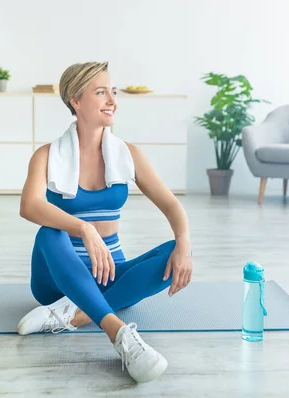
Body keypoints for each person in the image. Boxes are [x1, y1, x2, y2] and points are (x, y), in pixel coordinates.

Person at [17, 61, 193, 383]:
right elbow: (29, 206)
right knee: (49, 233)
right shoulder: (46, 155)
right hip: (55, 281)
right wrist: (82, 228)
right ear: (75, 101)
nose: (112, 100)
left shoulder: (128, 153)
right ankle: (117, 332)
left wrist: (184, 243)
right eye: (101, 92)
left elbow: (170, 204)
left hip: (108, 272)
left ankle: (74, 315)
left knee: (174, 252)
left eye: (112, 91)